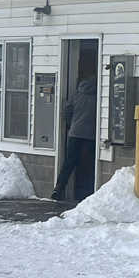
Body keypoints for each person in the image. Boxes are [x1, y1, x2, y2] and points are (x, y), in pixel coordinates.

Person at [51, 66, 97, 203]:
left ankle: (58, 189)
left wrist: (71, 125)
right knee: (87, 165)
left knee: (69, 162)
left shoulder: (76, 95)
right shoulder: (98, 97)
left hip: (74, 133)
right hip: (90, 136)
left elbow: (67, 111)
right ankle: (86, 192)